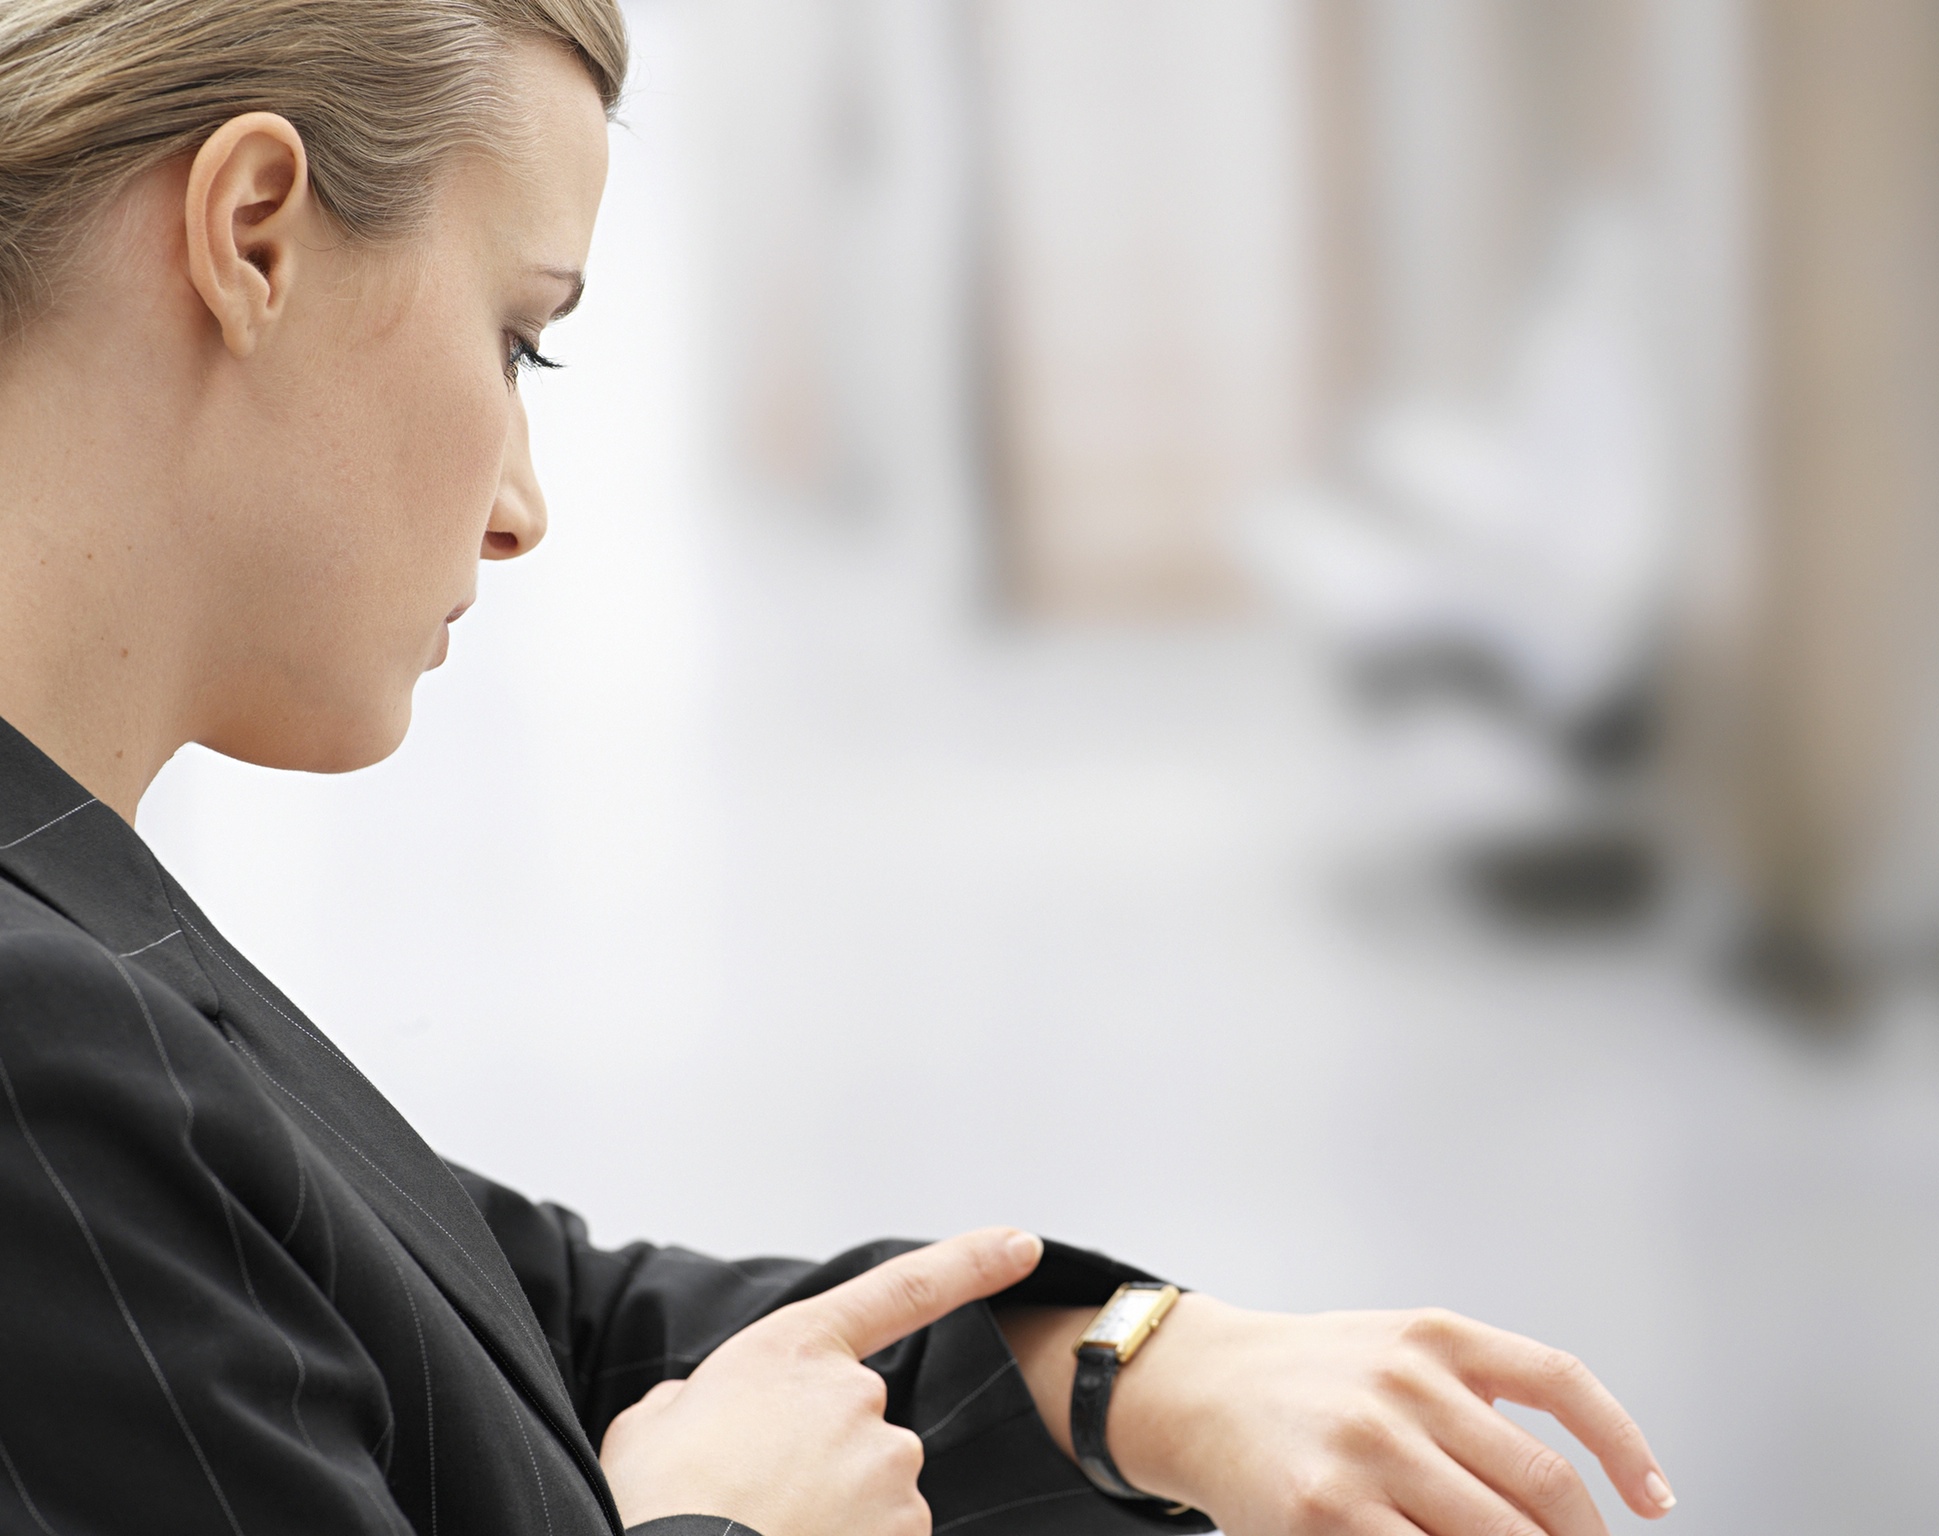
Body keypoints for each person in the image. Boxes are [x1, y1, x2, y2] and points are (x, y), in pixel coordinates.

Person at [0, 3, 1674, 1535]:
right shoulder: (37, 1037)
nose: (520, 505)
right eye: (522, 339)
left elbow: (533, 1327)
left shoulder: (80, 937)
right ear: (252, 236)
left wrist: (1124, 1364)